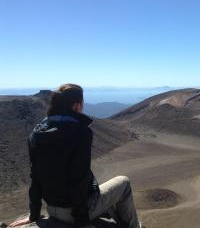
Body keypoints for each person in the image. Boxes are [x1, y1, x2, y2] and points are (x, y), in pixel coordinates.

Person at [8, 84, 142, 228]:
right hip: (74, 213)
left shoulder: (36, 134)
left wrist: (33, 215)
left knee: (100, 190)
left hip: (52, 209)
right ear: (76, 105)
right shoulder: (80, 132)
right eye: (82, 103)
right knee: (123, 182)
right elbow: (78, 179)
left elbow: (36, 178)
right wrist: (81, 222)